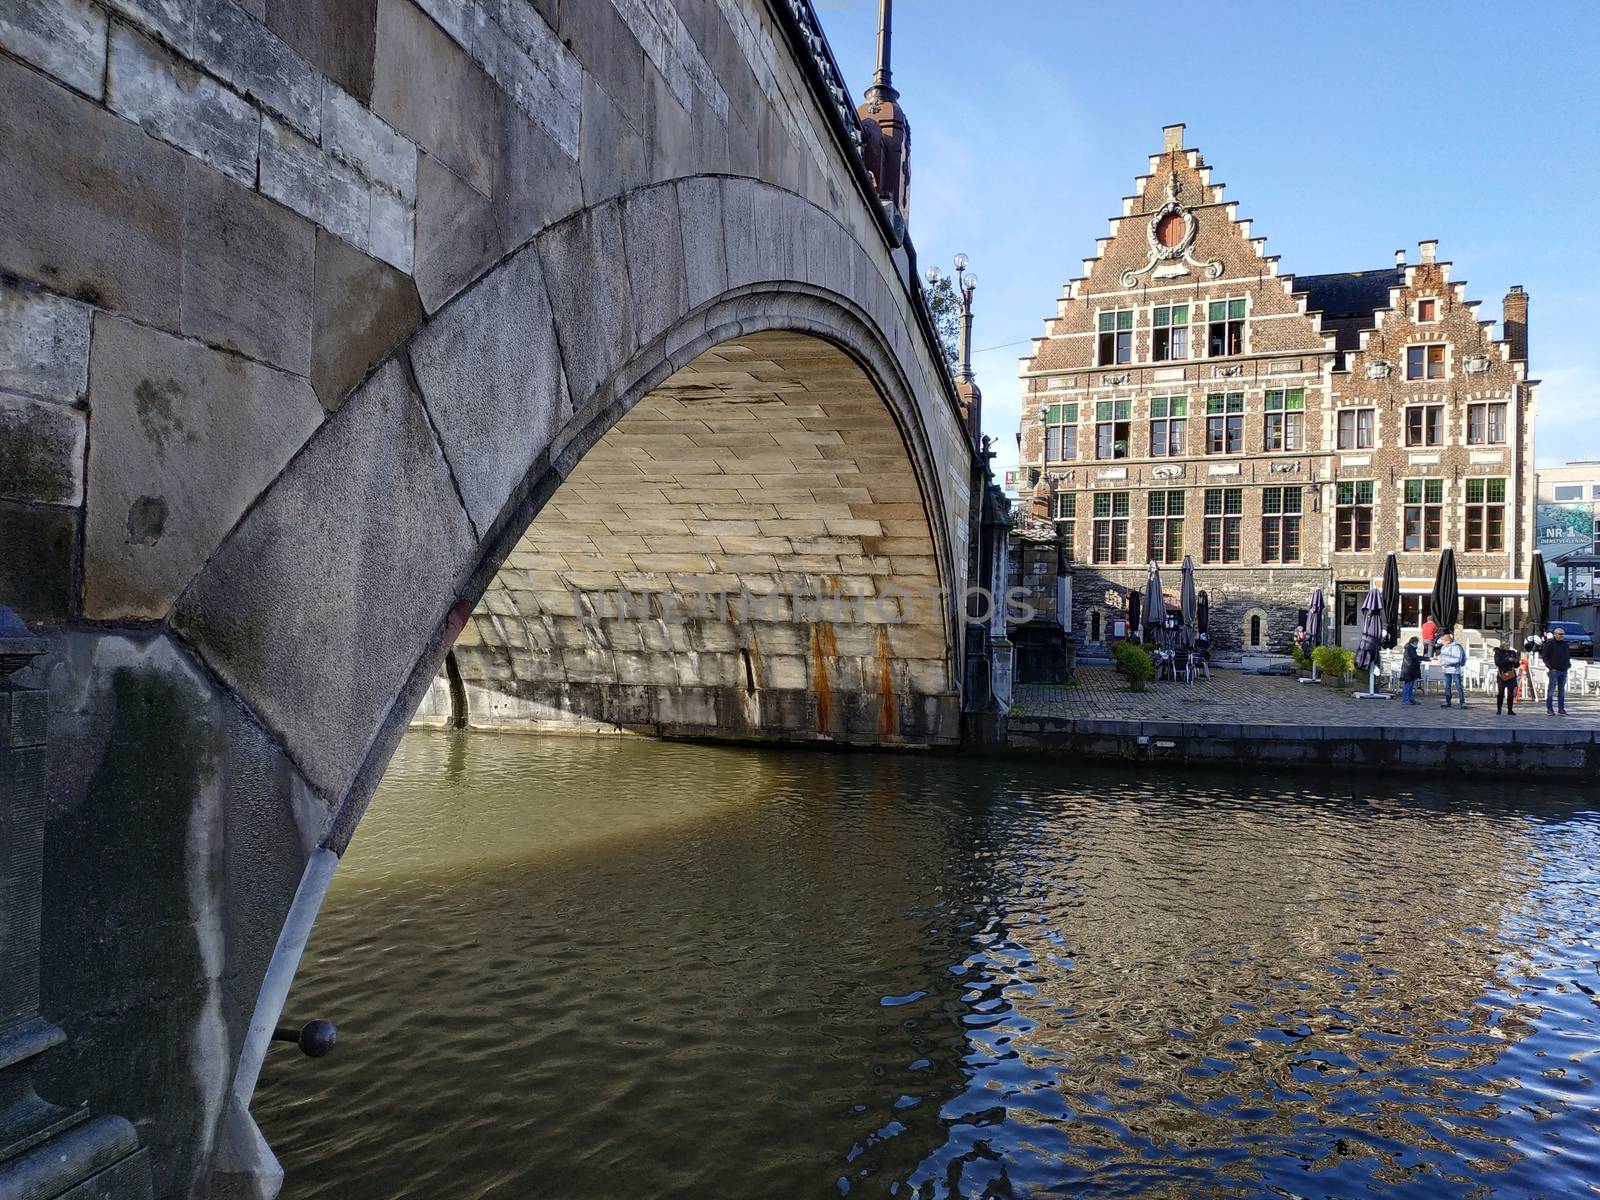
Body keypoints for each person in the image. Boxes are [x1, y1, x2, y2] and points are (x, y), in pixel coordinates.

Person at [1541, 626, 1572, 715]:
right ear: (1555, 634)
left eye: (1563, 634)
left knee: (1562, 691)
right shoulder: (1550, 644)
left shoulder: (1565, 644)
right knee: (1551, 691)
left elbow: (1567, 655)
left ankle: (1561, 709)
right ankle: (1550, 709)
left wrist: (1568, 664)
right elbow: (1545, 657)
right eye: (1560, 634)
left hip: (1563, 670)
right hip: (1554, 671)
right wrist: (1550, 667)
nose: (1562, 636)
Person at [1438, 633, 1467, 707]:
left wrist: (1446, 662)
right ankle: (1448, 702)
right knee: (1446, 686)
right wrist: (1440, 661)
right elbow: (1442, 656)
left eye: (1443, 642)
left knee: (1458, 686)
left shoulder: (1456, 647)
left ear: (1447, 641)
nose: (1442, 643)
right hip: (1446, 670)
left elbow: (1457, 659)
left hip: (1454, 670)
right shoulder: (1444, 647)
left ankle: (1462, 702)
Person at [1494, 641, 1521, 716]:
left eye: (1508, 645)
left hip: (1511, 674)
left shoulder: (1512, 652)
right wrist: (1507, 660)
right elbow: (1498, 663)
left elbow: (1516, 665)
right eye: (1506, 645)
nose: (1507, 647)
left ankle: (1510, 710)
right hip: (1502, 674)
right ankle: (1499, 709)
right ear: (1502, 646)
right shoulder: (1498, 653)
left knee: (1510, 693)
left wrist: (1516, 661)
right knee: (1501, 693)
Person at [1399, 636, 1423, 705]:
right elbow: (1413, 657)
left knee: (1411, 685)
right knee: (1408, 685)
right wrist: (1424, 658)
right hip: (1409, 669)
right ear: (1414, 642)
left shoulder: (1410, 648)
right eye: (1417, 642)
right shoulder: (1410, 648)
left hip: (1411, 669)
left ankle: (1410, 699)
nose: (1417, 644)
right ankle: (1406, 699)